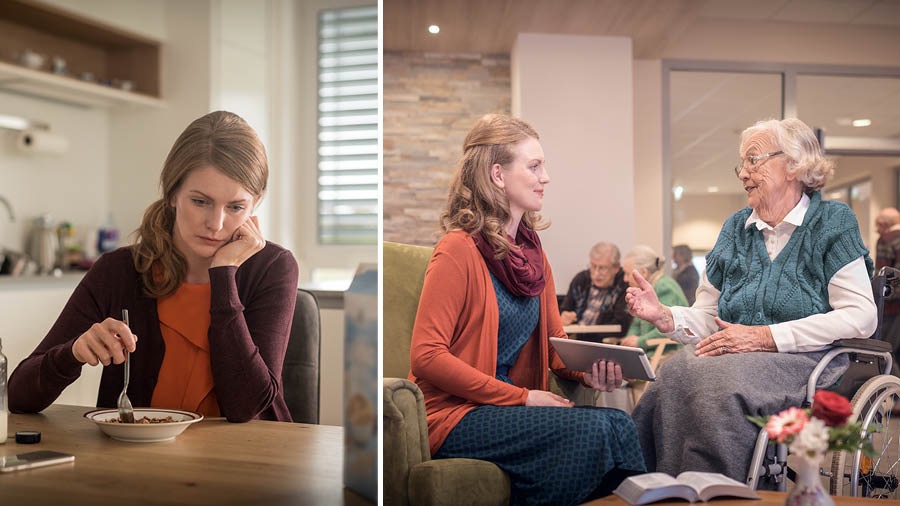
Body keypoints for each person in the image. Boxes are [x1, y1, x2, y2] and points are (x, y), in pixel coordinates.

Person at [409, 114, 645, 505]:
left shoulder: (534, 256)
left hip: (507, 409)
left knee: (620, 423)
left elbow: (556, 347)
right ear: (498, 174)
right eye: (534, 166)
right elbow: (427, 356)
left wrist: (591, 372)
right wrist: (522, 397)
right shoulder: (457, 250)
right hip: (455, 415)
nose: (546, 177)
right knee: (594, 432)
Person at [626, 117, 876, 484]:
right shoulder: (734, 229)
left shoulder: (832, 222)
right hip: (738, 357)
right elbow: (711, 318)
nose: (743, 172)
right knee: (674, 373)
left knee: (716, 385)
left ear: (793, 164)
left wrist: (766, 337)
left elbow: (860, 316)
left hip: (806, 359)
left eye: (753, 160)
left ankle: (717, 490)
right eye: (741, 164)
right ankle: (660, 488)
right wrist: (665, 316)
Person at [9, 111, 299, 422]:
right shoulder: (118, 270)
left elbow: (246, 407)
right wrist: (73, 353)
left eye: (236, 207)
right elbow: (18, 397)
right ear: (173, 193)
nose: (216, 223)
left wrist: (224, 274)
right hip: (140, 459)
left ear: (256, 201)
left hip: (245, 461)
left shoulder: (273, 268)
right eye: (200, 201)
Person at [619, 245, 687, 355]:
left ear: (644, 272)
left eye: (627, 274)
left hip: (667, 354)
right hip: (652, 351)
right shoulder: (646, 289)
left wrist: (638, 342)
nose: (625, 279)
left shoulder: (664, 286)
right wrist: (628, 342)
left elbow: (668, 326)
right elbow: (637, 323)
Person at [559, 242, 633, 341]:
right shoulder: (581, 279)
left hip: (603, 343)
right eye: (593, 266)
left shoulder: (625, 283)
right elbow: (565, 308)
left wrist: (584, 334)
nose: (596, 273)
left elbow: (621, 325)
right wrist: (565, 316)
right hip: (574, 339)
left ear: (616, 267)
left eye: (603, 268)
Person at [875, 207, 900, 371]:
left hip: (893, 307)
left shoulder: (886, 239)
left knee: (887, 351)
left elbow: (884, 277)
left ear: (883, 225)